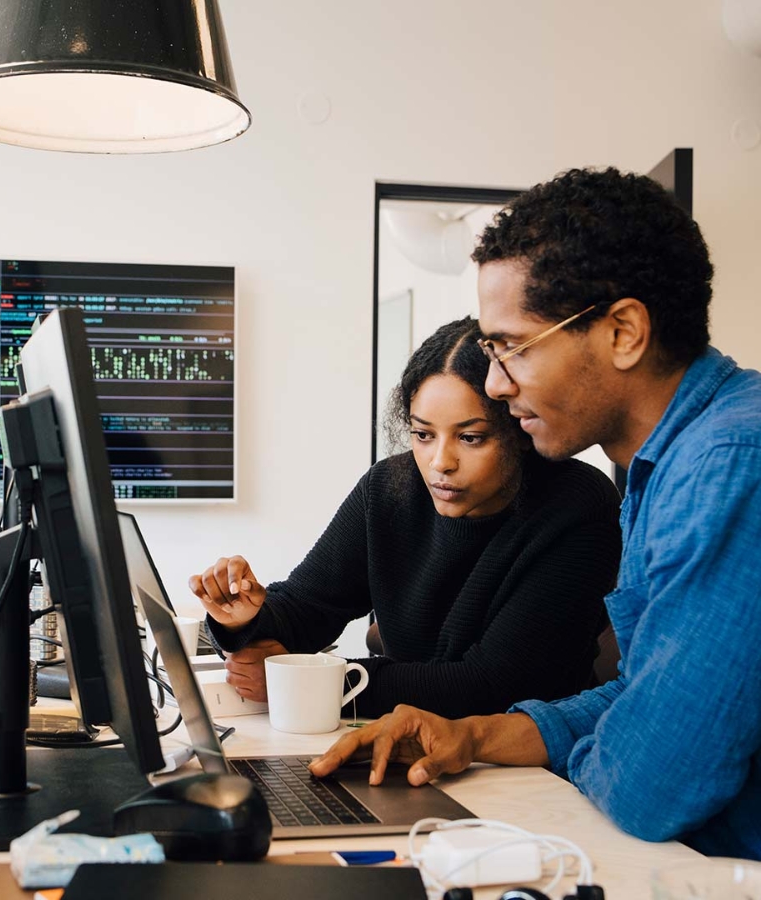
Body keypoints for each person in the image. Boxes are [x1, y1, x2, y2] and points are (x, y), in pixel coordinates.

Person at [309, 167, 761, 862]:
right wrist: (474, 736)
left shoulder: (730, 464)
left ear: (624, 332)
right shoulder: (663, 467)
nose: (493, 383)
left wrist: (596, 749)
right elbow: (638, 697)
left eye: (510, 347)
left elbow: (652, 785)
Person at [188, 317, 621, 720]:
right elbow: (309, 604)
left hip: (524, 771)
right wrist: (243, 619)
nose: (440, 463)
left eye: (470, 438)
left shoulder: (576, 506)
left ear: (517, 431)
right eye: (423, 434)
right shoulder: (390, 488)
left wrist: (313, 684)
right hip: (407, 741)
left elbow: (495, 685)